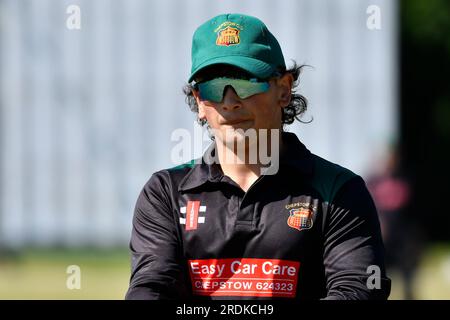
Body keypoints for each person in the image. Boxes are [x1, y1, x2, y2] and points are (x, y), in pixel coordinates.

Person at [125, 13, 391, 300]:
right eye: (213, 87)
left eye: (245, 82)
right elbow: (150, 290)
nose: (229, 102)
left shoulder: (339, 190)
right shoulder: (165, 193)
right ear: (199, 102)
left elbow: (358, 292)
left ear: (284, 90)